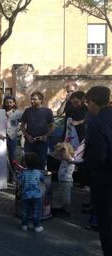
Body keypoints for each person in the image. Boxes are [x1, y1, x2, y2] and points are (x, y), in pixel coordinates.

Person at [83, 85, 112, 255]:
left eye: (88, 103)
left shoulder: (97, 122)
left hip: (105, 182)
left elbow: (97, 158)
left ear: (93, 102)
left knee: (107, 226)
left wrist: (75, 162)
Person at [20, 91, 55, 170]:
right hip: (29, 143)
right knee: (28, 163)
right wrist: (27, 135)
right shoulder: (27, 111)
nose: (32, 101)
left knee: (41, 163)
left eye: (34, 99)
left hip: (42, 143)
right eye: (31, 99)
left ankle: (40, 181)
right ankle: (29, 180)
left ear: (41, 100)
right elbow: (22, 126)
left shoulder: (47, 111)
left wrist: (46, 135)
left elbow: (52, 127)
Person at [19, 152, 45, 232]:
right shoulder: (38, 173)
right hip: (36, 196)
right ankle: (36, 226)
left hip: (26, 195)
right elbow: (43, 179)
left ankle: (24, 225)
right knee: (36, 212)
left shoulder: (23, 173)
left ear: (25, 163)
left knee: (25, 211)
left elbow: (19, 181)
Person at [51, 142, 76, 217]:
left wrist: (64, 148)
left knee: (66, 197)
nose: (58, 157)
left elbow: (65, 152)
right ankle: (62, 209)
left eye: (60, 155)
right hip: (63, 181)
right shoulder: (65, 158)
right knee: (62, 195)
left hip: (66, 181)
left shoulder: (69, 159)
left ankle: (67, 212)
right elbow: (55, 155)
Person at [2, 95, 23, 177]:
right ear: (4, 103)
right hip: (2, 137)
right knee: (2, 157)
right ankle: (3, 176)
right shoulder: (0, 112)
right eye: (7, 102)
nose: (9, 104)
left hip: (12, 137)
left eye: (11, 102)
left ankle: (12, 175)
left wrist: (20, 131)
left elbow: (24, 123)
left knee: (12, 157)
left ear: (14, 103)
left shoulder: (18, 113)